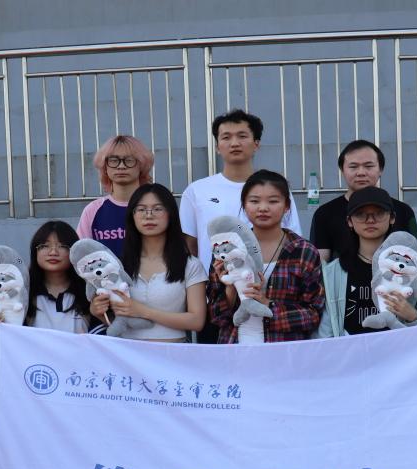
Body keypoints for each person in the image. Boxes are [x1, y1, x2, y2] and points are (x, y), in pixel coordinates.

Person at [180, 109, 302, 343]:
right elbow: (190, 246)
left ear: (256, 143)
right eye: (226, 137)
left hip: (271, 297)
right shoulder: (197, 191)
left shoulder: (276, 188)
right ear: (217, 146)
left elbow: (291, 239)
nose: (234, 143)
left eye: (242, 136)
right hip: (218, 300)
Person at [207, 170, 323, 344]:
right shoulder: (226, 249)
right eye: (254, 201)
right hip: (235, 349)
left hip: (284, 351)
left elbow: (313, 314)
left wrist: (268, 304)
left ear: (287, 206)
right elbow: (216, 317)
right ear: (244, 205)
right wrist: (230, 289)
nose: (263, 208)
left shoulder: (303, 251)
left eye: (273, 201)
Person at [89, 183, 207, 341]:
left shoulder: (190, 264)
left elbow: (197, 321)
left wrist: (144, 312)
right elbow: (118, 322)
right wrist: (98, 312)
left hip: (173, 351)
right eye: (141, 209)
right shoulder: (116, 265)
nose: (149, 215)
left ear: (171, 214)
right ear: (132, 216)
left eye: (157, 209)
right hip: (127, 351)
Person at [316, 186, 417, 338]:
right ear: (349, 221)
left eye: (379, 213)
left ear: (392, 218)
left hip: (398, 350)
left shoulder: (409, 269)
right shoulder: (332, 273)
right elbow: (326, 329)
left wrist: (412, 315)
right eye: (360, 214)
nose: (370, 220)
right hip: (350, 350)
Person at [309, 139, 417, 263]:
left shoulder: (403, 211)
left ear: (381, 169)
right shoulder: (324, 214)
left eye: (368, 166)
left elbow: (412, 259)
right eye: (353, 167)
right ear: (342, 170)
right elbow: (320, 264)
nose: (361, 173)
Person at [76, 135, 154, 257]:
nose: (121, 166)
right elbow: (81, 255)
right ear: (105, 167)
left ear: (141, 165)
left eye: (129, 160)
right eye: (113, 160)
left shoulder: (156, 207)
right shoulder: (93, 210)